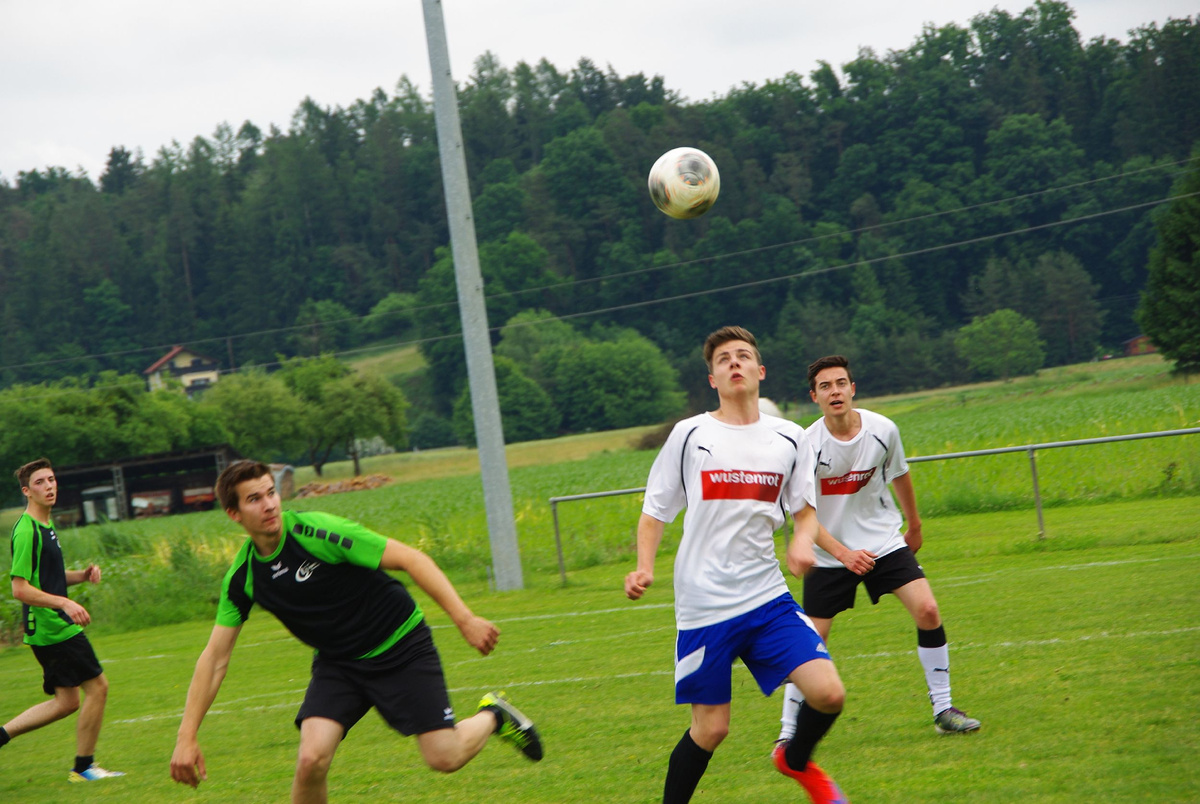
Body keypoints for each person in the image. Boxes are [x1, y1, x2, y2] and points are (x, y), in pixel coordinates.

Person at [170, 459, 542, 803]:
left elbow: (411, 559)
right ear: (234, 513)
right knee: (311, 758)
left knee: (445, 756)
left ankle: (494, 715)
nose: (269, 505)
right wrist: (186, 737)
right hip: (340, 663)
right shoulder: (243, 578)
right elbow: (215, 658)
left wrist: (465, 619)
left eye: (271, 493)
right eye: (254, 499)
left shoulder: (318, 532)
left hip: (400, 644)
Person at [625, 326, 850, 804]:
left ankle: (795, 760)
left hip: (766, 598)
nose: (734, 362)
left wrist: (802, 544)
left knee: (829, 693)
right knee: (711, 729)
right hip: (704, 605)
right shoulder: (690, 435)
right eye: (724, 358)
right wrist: (644, 567)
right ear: (713, 379)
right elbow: (654, 511)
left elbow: (805, 512)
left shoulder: (790, 437)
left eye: (743, 355)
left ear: (759, 371)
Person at [776, 355, 980, 742]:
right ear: (814, 397)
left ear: (852, 388)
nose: (834, 391)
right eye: (825, 386)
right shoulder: (806, 445)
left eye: (840, 383)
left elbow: (900, 474)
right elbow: (804, 516)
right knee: (811, 642)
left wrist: (914, 525)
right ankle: (788, 734)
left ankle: (944, 710)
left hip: (883, 542)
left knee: (928, 609)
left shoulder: (883, 429)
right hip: (829, 554)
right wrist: (843, 554)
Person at [1, 458, 124, 782]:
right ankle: (84, 768)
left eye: (52, 479)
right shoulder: (27, 531)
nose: (49, 486)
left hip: (49, 625)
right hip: (52, 626)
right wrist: (65, 603)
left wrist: (81, 576)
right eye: (40, 482)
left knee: (67, 702)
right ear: (27, 491)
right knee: (98, 687)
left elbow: (47, 578)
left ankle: (1, 735)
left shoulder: (45, 525)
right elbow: (19, 588)